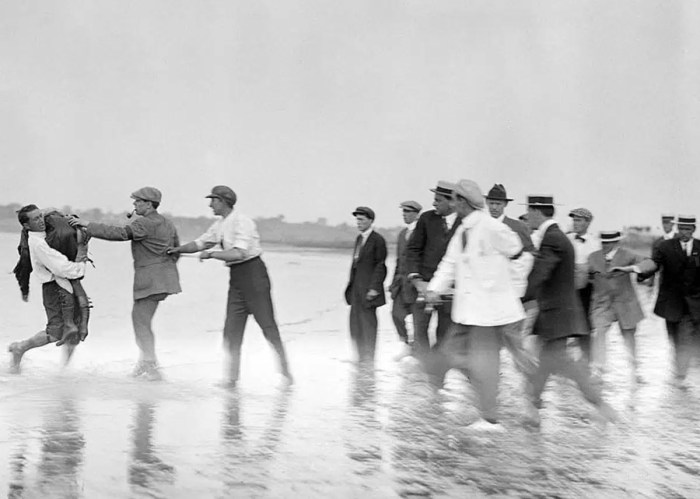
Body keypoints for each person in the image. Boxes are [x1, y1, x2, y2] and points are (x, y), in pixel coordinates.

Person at [424, 180, 525, 430]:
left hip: (488, 313)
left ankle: (490, 419)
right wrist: (434, 289)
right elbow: (449, 263)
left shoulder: (491, 227)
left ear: (463, 201)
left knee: (483, 362)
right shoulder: (462, 231)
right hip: (467, 312)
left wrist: (498, 280)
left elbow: (517, 250)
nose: (452, 204)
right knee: (446, 355)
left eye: (454, 200)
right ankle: (483, 394)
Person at [166, 185, 292, 386]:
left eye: (213, 200)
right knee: (231, 330)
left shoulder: (243, 222)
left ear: (223, 202)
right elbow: (200, 243)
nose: (210, 205)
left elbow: (238, 253)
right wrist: (177, 250)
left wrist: (211, 254)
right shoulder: (220, 224)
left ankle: (286, 374)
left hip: (254, 275)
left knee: (268, 327)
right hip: (236, 279)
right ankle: (231, 379)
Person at [69, 187, 181, 381]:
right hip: (165, 279)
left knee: (140, 322)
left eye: (137, 201)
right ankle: (145, 363)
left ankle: (150, 365)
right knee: (143, 321)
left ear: (148, 204)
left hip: (149, 281)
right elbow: (176, 250)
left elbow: (120, 233)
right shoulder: (167, 223)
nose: (134, 204)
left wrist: (87, 225)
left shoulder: (144, 222)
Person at [522, 196, 616, 425]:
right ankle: (533, 406)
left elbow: (540, 273)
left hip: (557, 314)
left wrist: (521, 298)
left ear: (536, 211)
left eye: (529, 211)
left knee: (560, 362)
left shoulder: (552, 238)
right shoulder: (557, 236)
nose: (527, 217)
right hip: (557, 312)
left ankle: (600, 404)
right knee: (548, 361)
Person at [614, 215, 700, 387]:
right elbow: (654, 263)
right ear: (677, 229)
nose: (684, 232)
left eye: (688, 229)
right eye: (681, 228)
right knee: (673, 337)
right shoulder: (665, 246)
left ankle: (680, 375)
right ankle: (681, 365)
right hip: (671, 302)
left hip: (694, 303)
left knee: (685, 337)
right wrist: (634, 269)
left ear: (693, 230)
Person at [8, 205, 89, 373]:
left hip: (67, 283)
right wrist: (81, 262)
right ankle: (20, 348)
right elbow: (61, 267)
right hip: (54, 288)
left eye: (40, 216)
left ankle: (64, 373)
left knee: (74, 331)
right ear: (26, 225)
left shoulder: (48, 232)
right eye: (35, 219)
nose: (41, 220)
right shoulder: (37, 243)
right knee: (55, 332)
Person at [405, 181, 462, 355]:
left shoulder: (465, 223)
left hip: (452, 291)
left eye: (438, 200)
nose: (433, 203)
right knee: (419, 332)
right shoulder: (426, 219)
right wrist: (417, 280)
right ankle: (423, 365)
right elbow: (413, 250)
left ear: (451, 202)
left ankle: (437, 366)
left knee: (446, 335)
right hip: (424, 288)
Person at [587, 231, 645, 383]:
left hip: (625, 304)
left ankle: (635, 371)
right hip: (603, 304)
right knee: (599, 333)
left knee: (629, 337)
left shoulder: (628, 255)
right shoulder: (593, 257)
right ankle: (598, 371)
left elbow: (648, 264)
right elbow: (586, 277)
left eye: (608, 242)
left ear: (616, 242)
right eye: (603, 242)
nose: (605, 245)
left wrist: (631, 269)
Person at [344, 206, 387, 365]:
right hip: (356, 289)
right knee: (355, 325)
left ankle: (369, 360)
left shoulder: (378, 240)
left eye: (361, 220)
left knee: (368, 325)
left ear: (370, 221)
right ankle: (359, 357)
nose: (358, 223)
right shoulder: (359, 239)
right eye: (357, 220)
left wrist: (374, 288)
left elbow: (381, 266)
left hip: (369, 290)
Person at [388, 200, 421, 360]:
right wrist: (393, 281)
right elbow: (398, 260)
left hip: (416, 284)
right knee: (396, 314)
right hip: (401, 284)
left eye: (408, 212)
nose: (404, 215)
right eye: (403, 212)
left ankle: (418, 351)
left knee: (418, 320)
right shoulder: (402, 234)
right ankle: (406, 344)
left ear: (416, 214)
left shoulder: (421, 232)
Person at [567, 207, 599, 361]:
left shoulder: (595, 243)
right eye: (574, 220)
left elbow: (597, 267)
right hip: (567, 287)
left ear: (588, 223)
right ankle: (560, 362)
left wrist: (585, 269)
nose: (575, 223)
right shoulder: (567, 239)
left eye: (578, 220)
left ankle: (586, 361)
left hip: (586, 289)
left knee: (584, 324)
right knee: (564, 323)